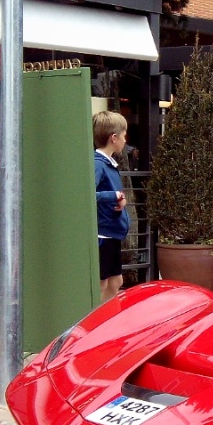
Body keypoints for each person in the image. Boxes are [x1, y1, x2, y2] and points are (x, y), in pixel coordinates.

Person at [94, 110, 130, 304]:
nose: (125, 140)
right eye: (124, 135)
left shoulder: (106, 164)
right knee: (101, 283)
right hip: (104, 235)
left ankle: (105, 321)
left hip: (111, 234)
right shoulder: (98, 164)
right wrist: (114, 196)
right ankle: (93, 324)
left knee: (115, 282)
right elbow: (86, 195)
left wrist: (117, 199)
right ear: (113, 138)